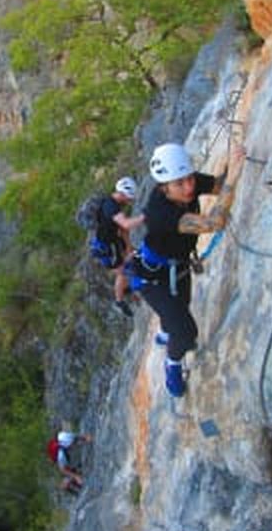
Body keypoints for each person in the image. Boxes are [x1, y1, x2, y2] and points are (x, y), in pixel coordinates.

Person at [132, 142, 245, 398]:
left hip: (178, 266)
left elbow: (218, 185)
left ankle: (165, 330)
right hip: (152, 278)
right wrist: (234, 177)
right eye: (180, 184)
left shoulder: (186, 182)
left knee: (181, 305)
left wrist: (234, 161)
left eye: (189, 179)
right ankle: (172, 364)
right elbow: (214, 222)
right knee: (185, 332)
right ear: (164, 187)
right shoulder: (159, 213)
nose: (189, 187)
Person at [97, 177, 145, 318]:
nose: (129, 202)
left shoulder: (112, 203)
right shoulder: (111, 207)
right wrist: (145, 217)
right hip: (107, 246)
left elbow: (123, 229)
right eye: (129, 199)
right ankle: (119, 301)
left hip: (113, 241)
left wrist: (128, 246)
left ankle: (127, 286)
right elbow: (126, 224)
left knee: (132, 257)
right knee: (122, 271)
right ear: (124, 194)